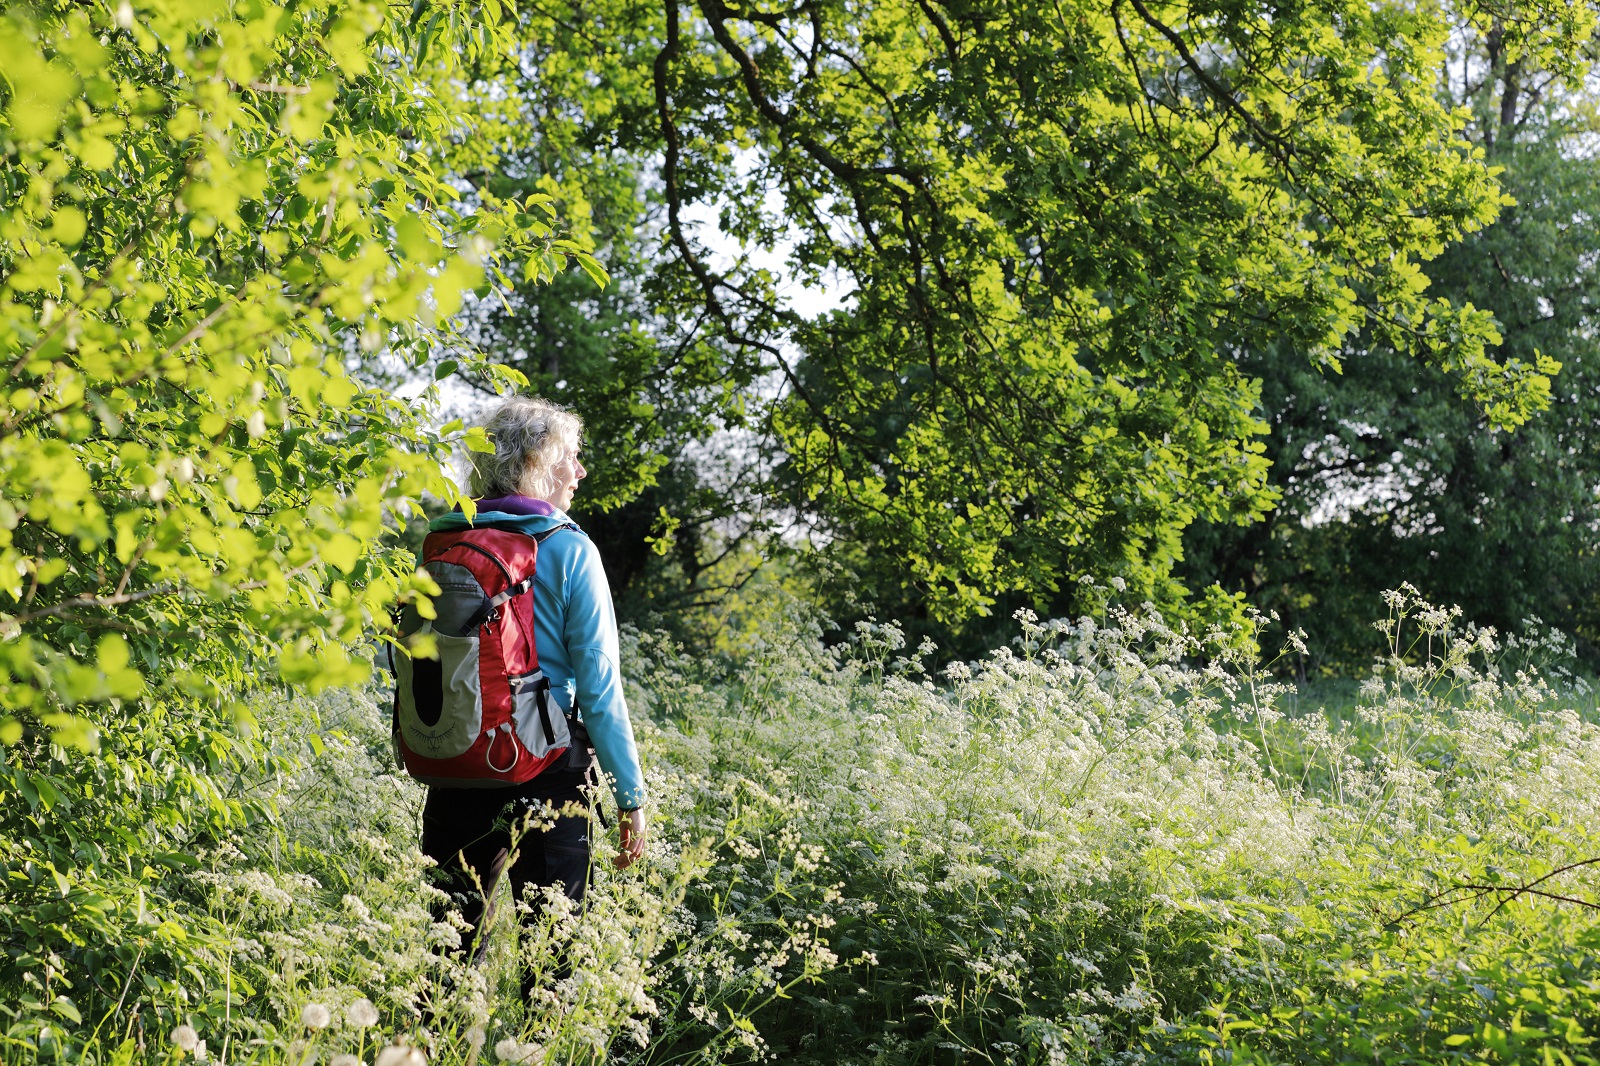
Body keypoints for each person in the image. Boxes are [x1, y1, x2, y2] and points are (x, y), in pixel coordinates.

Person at [417, 396, 647, 997]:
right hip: (549, 766)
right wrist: (631, 796)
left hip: (460, 760)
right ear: (540, 462)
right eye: (572, 457)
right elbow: (599, 689)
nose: (580, 471)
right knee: (552, 967)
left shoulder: (445, 540)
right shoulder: (569, 548)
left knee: (444, 957)